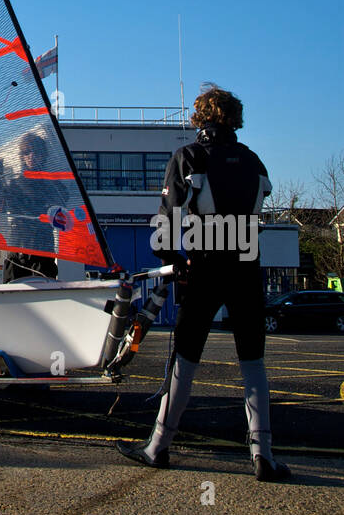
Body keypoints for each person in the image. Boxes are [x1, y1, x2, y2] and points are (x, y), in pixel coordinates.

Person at [117, 84, 288, 482]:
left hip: (205, 265)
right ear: (235, 119)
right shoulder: (254, 162)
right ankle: (263, 454)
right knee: (253, 360)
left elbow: (167, 220)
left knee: (187, 357)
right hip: (247, 266)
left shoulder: (189, 156)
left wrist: (173, 259)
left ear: (201, 117)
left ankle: (158, 446)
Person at [0, 132, 58, 281]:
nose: (31, 156)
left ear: (43, 155)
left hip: (43, 250)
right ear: (22, 156)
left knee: (45, 293)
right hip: (18, 249)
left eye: (36, 152)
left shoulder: (52, 185)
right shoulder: (15, 185)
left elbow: (62, 206)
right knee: (12, 294)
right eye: (27, 152)